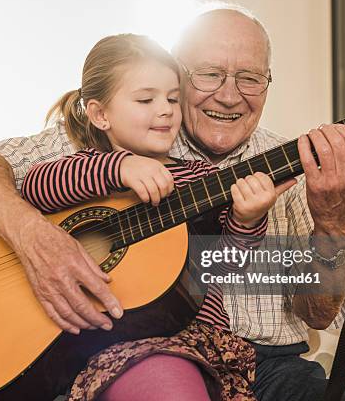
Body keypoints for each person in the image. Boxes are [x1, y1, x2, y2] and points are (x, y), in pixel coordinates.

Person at [0, 4, 345, 401]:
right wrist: (39, 235)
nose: (229, 96)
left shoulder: (293, 171)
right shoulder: (113, 132)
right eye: (209, 74)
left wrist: (329, 220)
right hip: (138, 353)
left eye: (250, 78)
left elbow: (306, 308)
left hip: (252, 363)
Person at [18, 33, 297, 400]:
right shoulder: (85, 169)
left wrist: (247, 220)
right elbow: (36, 185)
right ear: (100, 114)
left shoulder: (200, 178)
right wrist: (118, 167)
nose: (165, 109)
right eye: (146, 99)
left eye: (172, 99)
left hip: (191, 338)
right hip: (104, 348)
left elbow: (220, 267)